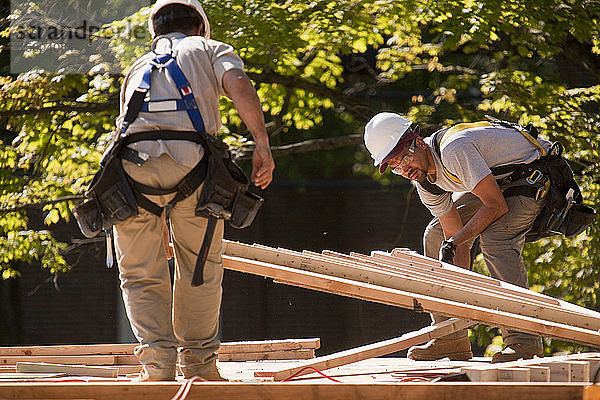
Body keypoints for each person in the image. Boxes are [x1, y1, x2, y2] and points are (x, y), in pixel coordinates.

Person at [113, 0, 274, 381]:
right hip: (194, 170)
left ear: (155, 31)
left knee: (139, 272)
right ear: (201, 28)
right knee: (199, 267)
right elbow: (237, 82)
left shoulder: (138, 65)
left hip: (131, 172)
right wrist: (262, 144)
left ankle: (156, 368)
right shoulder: (210, 49)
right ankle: (199, 367)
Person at [364, 112, 552, 363]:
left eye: (404, 158)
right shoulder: (426, 183)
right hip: (497, 183)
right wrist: (460, 297)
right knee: (435, 235)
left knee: (496, 242)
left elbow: (495, 206)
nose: (404, 169)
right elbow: (455, 239)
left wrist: (455, 242)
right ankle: (451, 338)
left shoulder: (454, 150)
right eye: (396, 167)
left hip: (532, 175)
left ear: (419, 143)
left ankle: (524, 341)